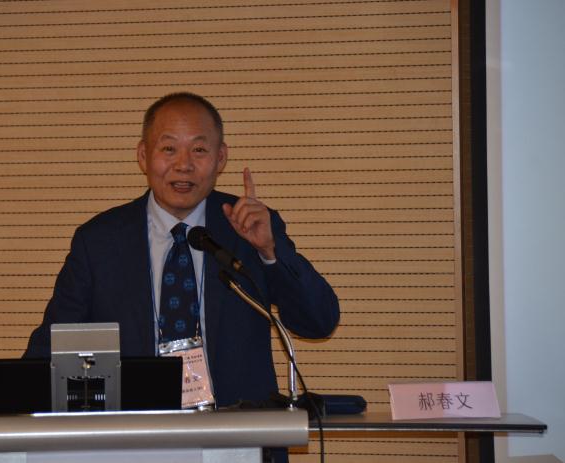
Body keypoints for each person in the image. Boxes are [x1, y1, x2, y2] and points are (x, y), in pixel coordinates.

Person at [24, 92, 339, 410]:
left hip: (237, 430)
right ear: (144, 156)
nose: (184, 165)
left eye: (199, 150)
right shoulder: (99, 242)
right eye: (169, 149)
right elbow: (51, 350)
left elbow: (318, 322)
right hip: (135, 431)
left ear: (221, 158)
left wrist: (269, 251)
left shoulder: (249, 228)